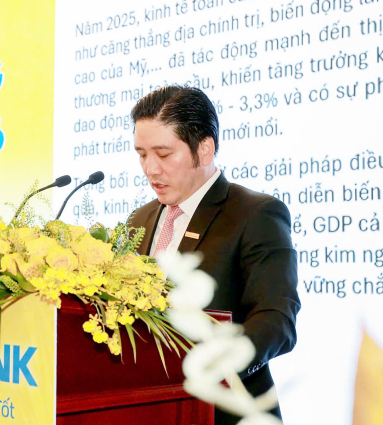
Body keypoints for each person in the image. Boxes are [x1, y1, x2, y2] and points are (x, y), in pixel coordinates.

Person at [128, 85, 300, 424]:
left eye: (163, 154)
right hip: (150, 411)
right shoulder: (139, 219)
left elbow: (277, 320)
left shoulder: (255, 213)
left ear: (204, 149)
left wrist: (214, 365)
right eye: (142, 154)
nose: (150, 169)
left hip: (225, 411)